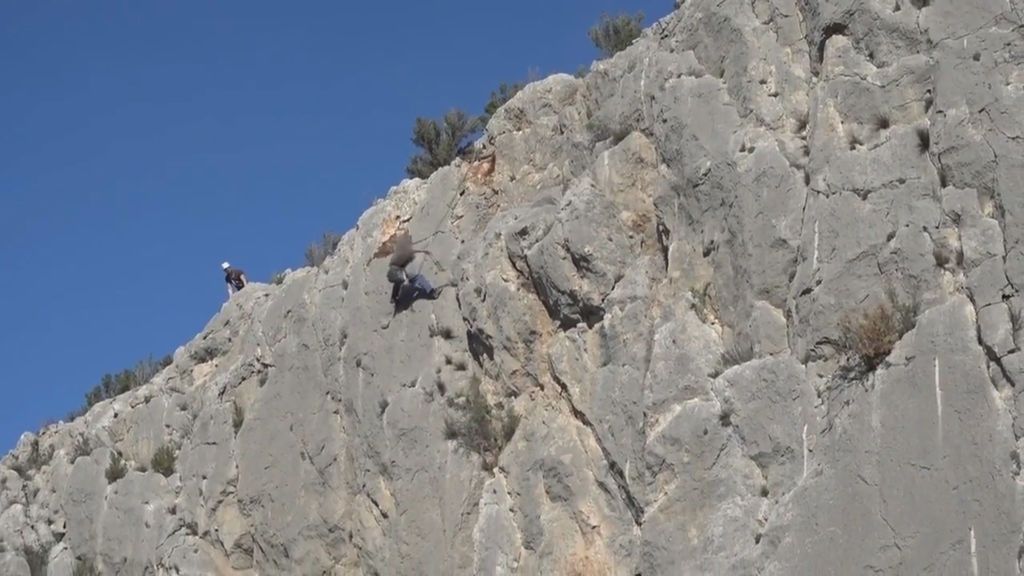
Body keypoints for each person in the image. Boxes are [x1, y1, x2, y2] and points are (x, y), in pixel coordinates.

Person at [387, 229, 434, 304]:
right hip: (399, 270)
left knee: (398, 282)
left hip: (392, 271)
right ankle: (431, 292)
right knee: (418, 278)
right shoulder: (405, 247)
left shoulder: (399, 248)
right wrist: (423, 251)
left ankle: (394, 298)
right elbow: (409, 252)